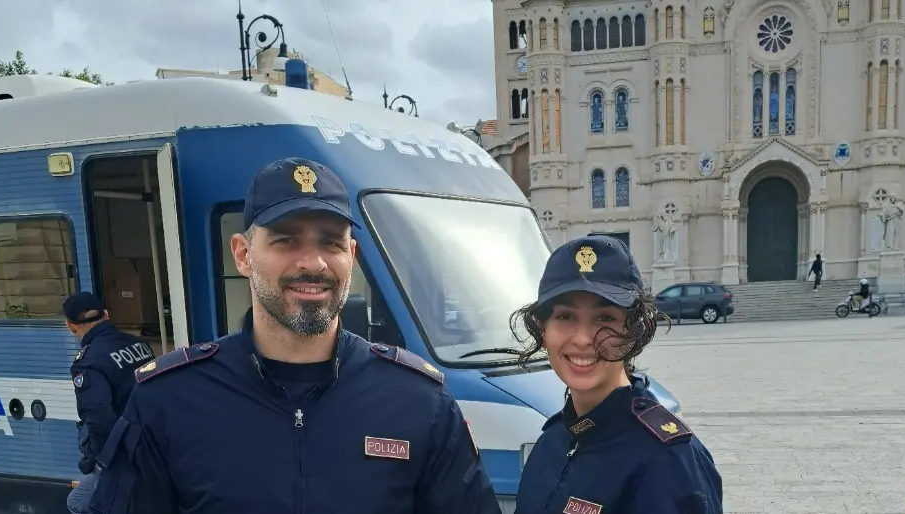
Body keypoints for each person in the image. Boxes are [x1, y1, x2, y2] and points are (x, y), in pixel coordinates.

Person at [88, 157, 500, 514]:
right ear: (243, 254)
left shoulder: (418, 401)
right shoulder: (169, 401)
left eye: (330, 242)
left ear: (351, 256)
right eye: (286, 240)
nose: (314, 262)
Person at [509, 234, 724, 514]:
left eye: (605, 318)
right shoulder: (553, 440)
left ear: (633, 330)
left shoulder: (669, 460)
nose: (584, 339)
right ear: (543, 329)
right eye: (565, 316)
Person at [64, 292, 155, 514]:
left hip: (122, 458)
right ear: (106, 315)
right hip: (153, 446)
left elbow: (100, 420)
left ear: (71, 326)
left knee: (85, 506)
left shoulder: (88, 362)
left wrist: (103, 467)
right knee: (77, 500)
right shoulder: (140, 345)